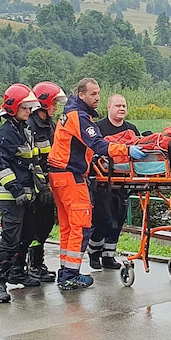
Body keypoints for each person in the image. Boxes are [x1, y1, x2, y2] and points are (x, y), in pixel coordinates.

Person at [47, 78, 146, 290]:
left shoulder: (70, 114)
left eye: (99, 93)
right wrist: (126, 150)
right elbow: (98, 144)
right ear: (81, 95)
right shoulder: (79, 117)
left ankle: (65, 272)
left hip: (60, 176)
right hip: (71, 176)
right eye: (93, 94)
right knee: (81, 226)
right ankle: (70, 275)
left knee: (68, 227)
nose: (97, 98)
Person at [0, 84, 43, 303]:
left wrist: (42, 186)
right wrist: (16, 190)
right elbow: (0, 166)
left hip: (26, 193)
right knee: (10, 239)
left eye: (30, 107)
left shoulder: (23, 129)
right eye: (25, 108)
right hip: (10, 195)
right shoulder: (6, 133)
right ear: (12, 107)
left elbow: (31, 162)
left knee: (27, 235)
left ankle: (16, 273)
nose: (29, 111)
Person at [88, 94, 140, 270]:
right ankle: (94, 254)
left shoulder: (131, 129)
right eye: (118, 105)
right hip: (101, 182)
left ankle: (109, 256)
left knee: (117, 220)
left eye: (124, 105)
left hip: (123, 182)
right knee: (102, 219)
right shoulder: (98, 128)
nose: (122, 108)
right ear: (109, 107)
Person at [22, 81, 68, 283]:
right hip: (36, 184)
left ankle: (37, 263)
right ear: (42, 104)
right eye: (53, 104)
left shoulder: (49, 124)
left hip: (48, 182)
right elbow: (33, 160)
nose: (56, 108)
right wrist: (42, 186)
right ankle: (32, 264)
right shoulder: (31, 126)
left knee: (46, 223)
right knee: (35, 225)